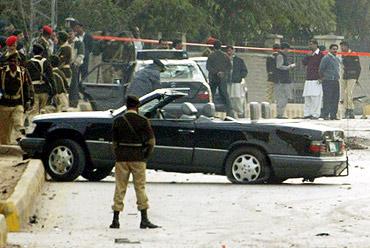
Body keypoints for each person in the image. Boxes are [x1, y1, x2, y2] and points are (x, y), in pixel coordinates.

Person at [110, 95, 159, 229]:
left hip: (121, 158)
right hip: (138, 158)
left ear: (126, 106)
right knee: (140, 188)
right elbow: (151, 142)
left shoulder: (118, 121)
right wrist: (145, 155)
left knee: (120, 187)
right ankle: (144, 219)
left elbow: (114, 143)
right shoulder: (143, 121)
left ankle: (115, 219)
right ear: (137, 106)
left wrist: (119, 154)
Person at [0, 53, 33, 144]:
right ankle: (5, 150)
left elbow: (26, 87)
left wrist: (28, 100)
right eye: (11, 61)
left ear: (18, 62)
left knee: (18, 123)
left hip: (17, 103)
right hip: (4, 104)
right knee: (4, 131)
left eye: (15, 61)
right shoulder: (2, 72)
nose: (13, 63)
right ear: (8, 62)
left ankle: (21, 141)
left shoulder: (22, 72)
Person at [26, 44, 55, 120]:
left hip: (34, 89)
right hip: (44, 89)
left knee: (34, 110)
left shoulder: (29, 63)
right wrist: (54, 89)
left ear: (33, 52)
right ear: (42, 52)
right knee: (43, 109)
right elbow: (51, 77)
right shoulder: (46, 62)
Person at [206, 40, 233, 117]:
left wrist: (216, 72)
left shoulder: (211, 56)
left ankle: (210, 112)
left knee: (211, 95)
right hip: (222, 78)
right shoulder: (225, 56)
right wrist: (223, 73)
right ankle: (229, 112)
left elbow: (208, 67)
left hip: (213, 78)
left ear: (213, 47)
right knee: (225, 95)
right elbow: (230, 67)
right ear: (221, 47)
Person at [302, 39, 324, 119]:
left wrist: (322, 77)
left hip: (316, 79)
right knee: (307, 97)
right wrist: (307, 56)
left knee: (316, 98)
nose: (310, 46)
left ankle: (315, 114)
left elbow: (323, 67)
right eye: (309, 44)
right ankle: (307, 113)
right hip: (308, 78)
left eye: (311, 44)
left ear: (316, 45)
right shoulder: (309, 54)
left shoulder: (321, 55)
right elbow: (303, 62)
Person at [319, 44, 341, 120]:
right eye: (333, 49)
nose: (335, 51)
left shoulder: (337, 58)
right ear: (330, 50)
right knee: (327, 98)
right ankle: (325, 115)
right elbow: (321, 69)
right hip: (327, 81)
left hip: (335, 80)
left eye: (336, 49)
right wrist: (322, 77)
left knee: (335, 98)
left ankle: (333, 115)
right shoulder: (326, 58)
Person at [340, 41, 361, 119]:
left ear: (347, 46)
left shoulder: (353, 54)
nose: (342, 48)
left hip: (352, 76)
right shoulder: (342, 55)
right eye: (341, 46)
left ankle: (351, 109)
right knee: (344, 93)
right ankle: (346, 109)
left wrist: (357, 78)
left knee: (349, 93)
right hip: (345, 76)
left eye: (343, 46)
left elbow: (358, 67)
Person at [225, 45, 248, 118]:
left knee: (237, 97)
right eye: (228, 50)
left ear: (233, 51)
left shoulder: (239, 60)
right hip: (226, 82)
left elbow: (244, 71)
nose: (229, 52)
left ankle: (240, 112)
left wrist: (239, 77)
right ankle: (230, 112)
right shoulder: (223, 60)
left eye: (231, 50)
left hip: (236, 82)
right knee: (228, 97)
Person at [275, 42, 296, 118]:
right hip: (282, 80)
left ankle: (281, 113)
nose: (288, 51)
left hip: (285, 80)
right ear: (285, 49)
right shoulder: (280, 56)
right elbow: (279, 66)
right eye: (288, 49)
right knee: (282, 97)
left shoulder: (283, 56)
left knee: (285, 97)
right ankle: (279, 114)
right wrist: (289, 66)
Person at [67, 29, 85, 108]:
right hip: (65, 66)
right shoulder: (66, 43)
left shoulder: (79, 43)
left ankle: (73, 102)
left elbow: (81, 55)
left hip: (74, 66)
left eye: (71, 34)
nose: (70, 36)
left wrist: (75, 63)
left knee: (74, 84)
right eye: (68, 34)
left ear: (74, 33)